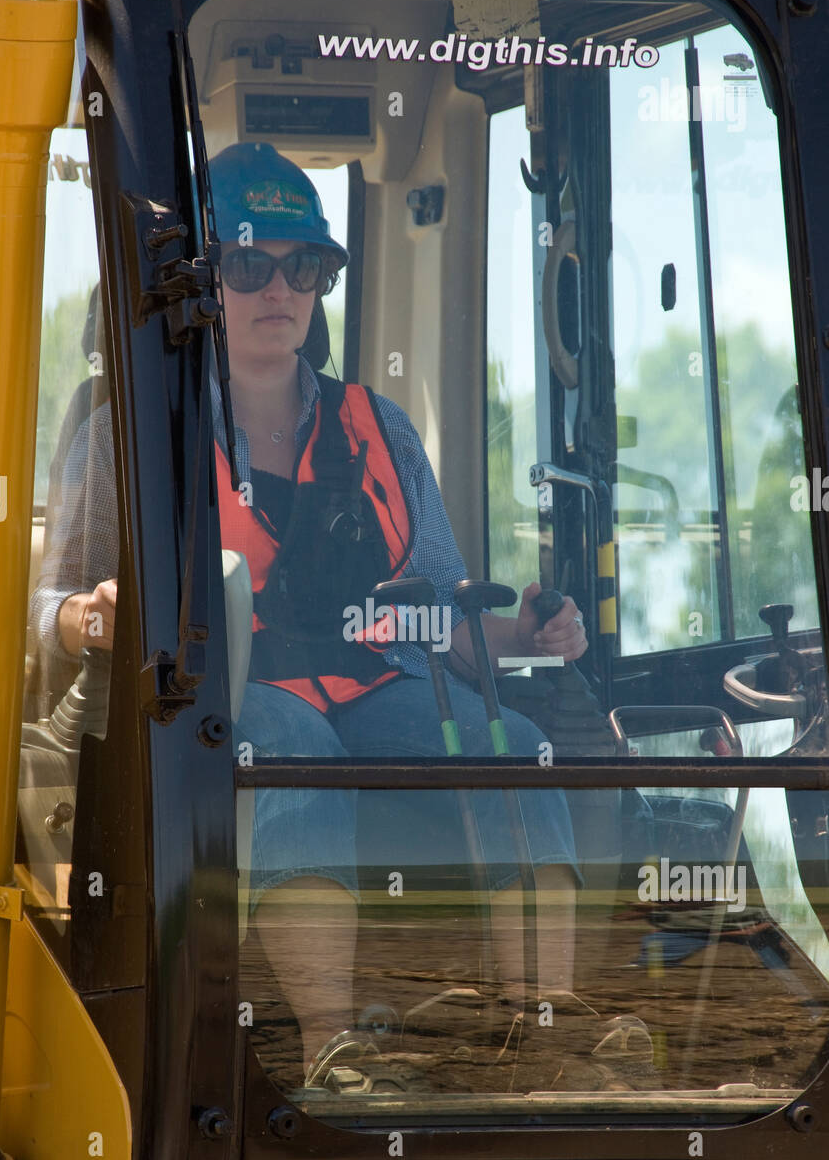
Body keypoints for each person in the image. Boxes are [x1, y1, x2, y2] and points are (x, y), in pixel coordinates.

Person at [32, 143, 588, 1085]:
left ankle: (549, 1018)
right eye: (249, 265)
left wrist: (519, 635)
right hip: (228, 690)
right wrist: (93, 616)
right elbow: (48, 609)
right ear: (205, 280)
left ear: (325, 282)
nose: (278, 288)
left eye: (307, 266)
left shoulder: (383, 430)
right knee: (289, 746)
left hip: (376, 682)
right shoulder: (124, 434)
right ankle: (330, 1040)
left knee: (514, 739)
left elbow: (434, 611)